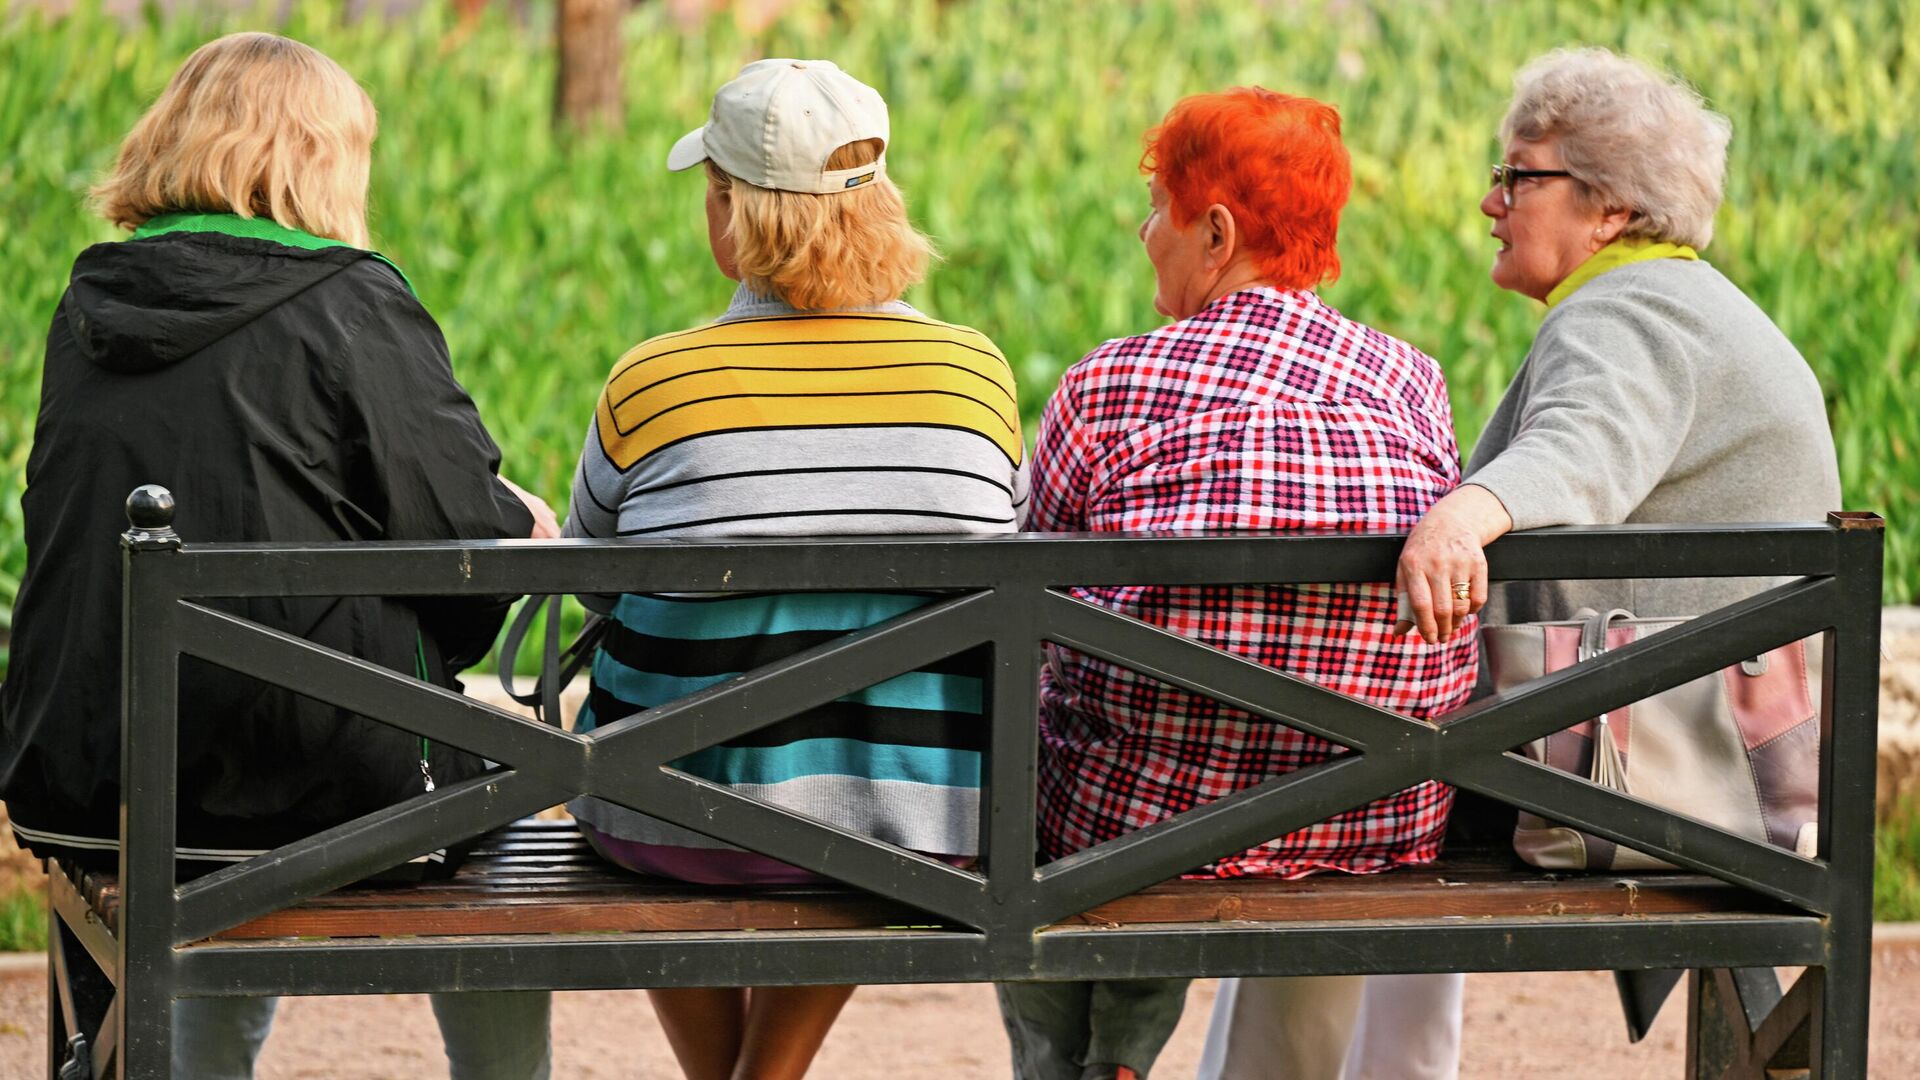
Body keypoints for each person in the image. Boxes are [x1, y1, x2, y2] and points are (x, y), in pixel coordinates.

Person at [0, 33, 557, 1079]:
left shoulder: (87, 309)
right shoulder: (351, 299)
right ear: (316, 156)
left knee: (251, 745)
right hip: (316, 785)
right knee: (500, 808)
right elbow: (460, 552)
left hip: (92, 779)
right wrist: (521, 519)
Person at [996, 87, 1479, 1080]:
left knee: (1054, 754)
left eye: (1158, 210)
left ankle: (1075, 1058)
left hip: (1137, 828)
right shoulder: (1411, 381)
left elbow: (1020, 607)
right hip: (1370, 817)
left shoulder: (1109, 386)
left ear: (1214, 233)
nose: (1143, 233)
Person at [561, 58, 1026, 1080]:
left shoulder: (653, 381)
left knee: (675, 754)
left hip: (665, 820)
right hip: (913, 823)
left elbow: (593, 580)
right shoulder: (972, 375)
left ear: (732, 210)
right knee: (848, 780)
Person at [1389, 47, 1844, 1077]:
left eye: (1519, 176)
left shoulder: (1629, 312)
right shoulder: (1684, 303)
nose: (1488, 202)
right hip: (1738, 764)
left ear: (1607, 208)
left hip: (1663, 788)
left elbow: (1580, 453)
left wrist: (1462, 514)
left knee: (1328, 795)